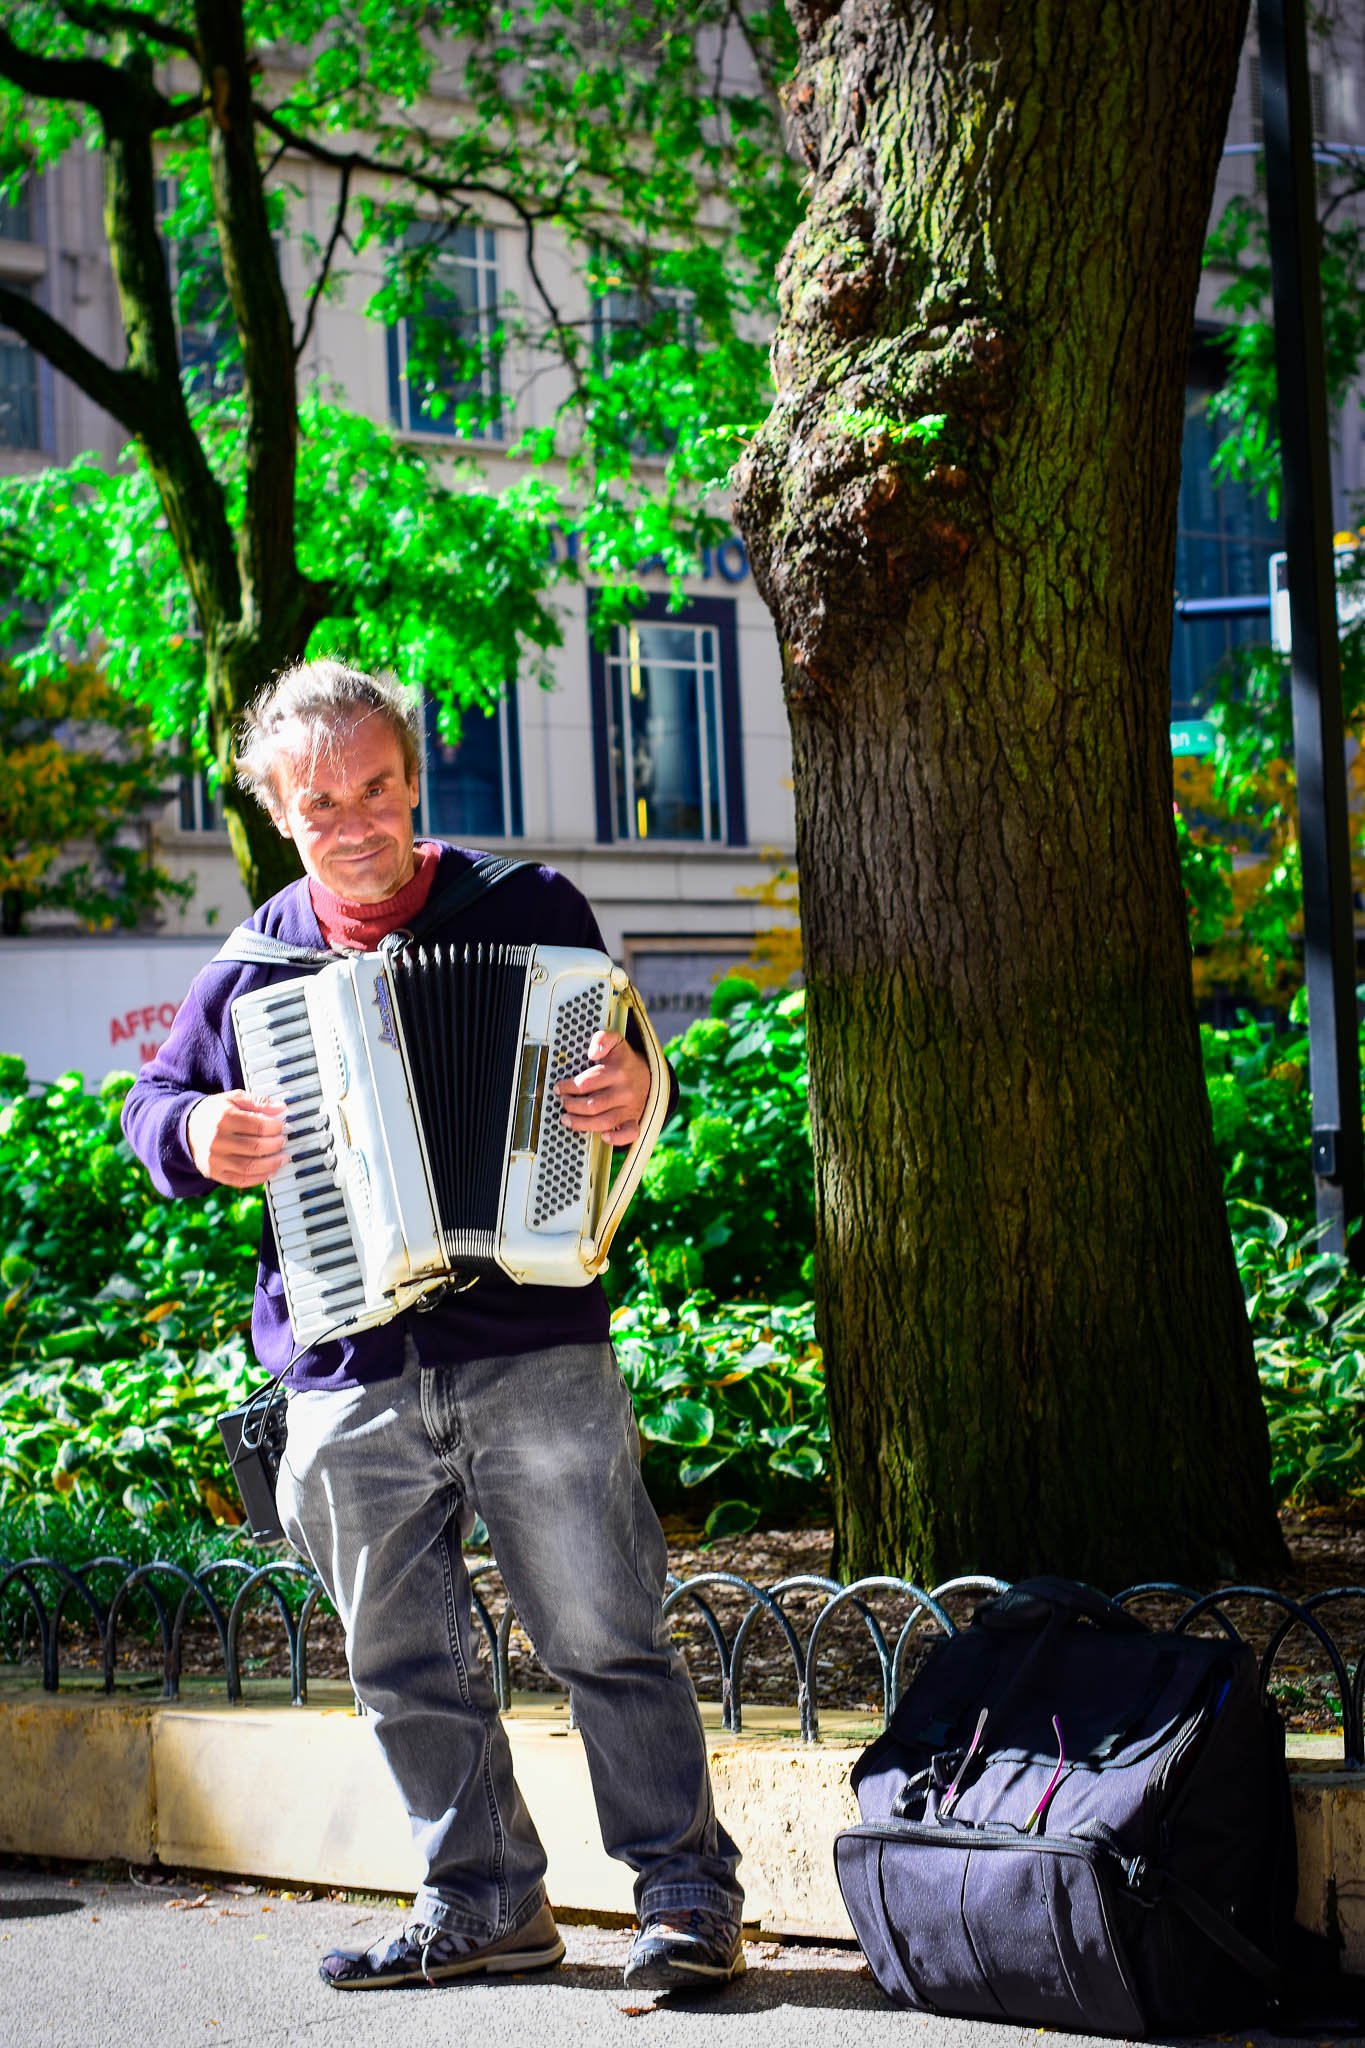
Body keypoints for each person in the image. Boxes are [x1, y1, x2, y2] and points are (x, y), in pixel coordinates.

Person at [121, 658, 744, 1994]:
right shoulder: (254, 965)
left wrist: (633, 1091)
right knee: (406, 1664)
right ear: (278, 813)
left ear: (413, 782)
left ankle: (686, 1896)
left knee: (603, 1633)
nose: (352, 823)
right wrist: (191, 1130)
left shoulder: (525, 908)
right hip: (345, 1370)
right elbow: (152, 1113)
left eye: (375, 789)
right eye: (318, 803)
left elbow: (625, 1070)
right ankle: (483, 1907)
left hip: (534, 1348)